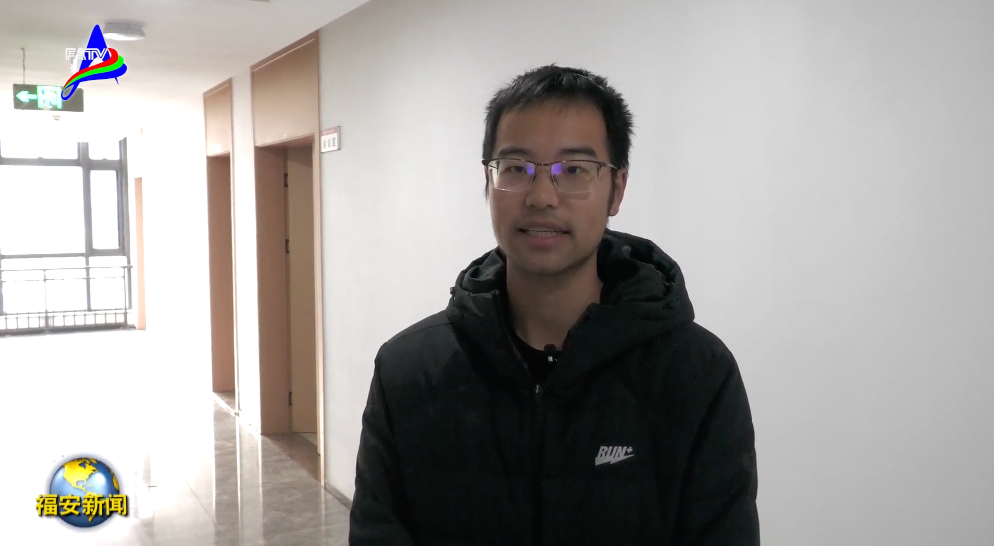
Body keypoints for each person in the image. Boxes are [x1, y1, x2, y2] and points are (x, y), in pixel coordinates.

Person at [349, 64, 760, 546]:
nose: (542, 196)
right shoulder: (408, 372)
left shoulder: (696, 376)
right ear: (488, 183)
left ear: (617, 190)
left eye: (574, 170)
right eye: (516, 168)